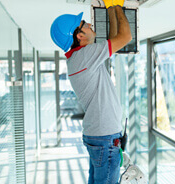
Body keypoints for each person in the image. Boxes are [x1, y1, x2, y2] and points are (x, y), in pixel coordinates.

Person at [50, 0, 131, 183]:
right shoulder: (85, 57)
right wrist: (117, 6)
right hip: (104, 137)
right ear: (79, 35)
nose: (89, 24)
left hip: (101, 137)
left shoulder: (80, 58)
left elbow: (113, 39)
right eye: (84, 24)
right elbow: (125, 37)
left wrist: (112, 7)